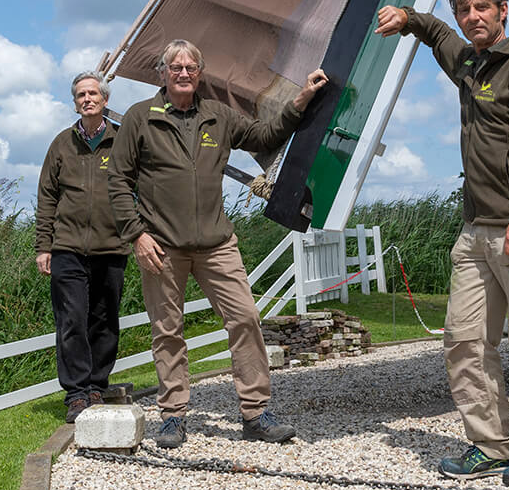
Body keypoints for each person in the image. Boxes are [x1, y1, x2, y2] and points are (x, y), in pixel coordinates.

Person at [375, 0, 509, 487]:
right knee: (464, 341)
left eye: (482, 8)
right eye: (466, 10)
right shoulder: (470, 64)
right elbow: (439, 35)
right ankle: (492, 445)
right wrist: (409, 20)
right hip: (474, 233)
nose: (472, 18)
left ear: (503, 11)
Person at [107, 39, 327, 448]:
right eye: (176, 67)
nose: (184, 73)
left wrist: (301, 99)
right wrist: (136, 235)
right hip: (161, 246)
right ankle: (173, 416)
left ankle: (256, 414)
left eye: (191, 66)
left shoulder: (218, 116)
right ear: (163, 73)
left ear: (200, 72)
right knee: (167, 330)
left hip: (216, 243)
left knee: (245, 318)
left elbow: (265, 135)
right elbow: (118, 181)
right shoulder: (141, 117)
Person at [35, 71, 129, 423]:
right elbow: (46, 197)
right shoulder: (61, 143)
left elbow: (141, 188)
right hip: (67, 248)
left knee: (105, 319)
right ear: (74, 102)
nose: (86, 99)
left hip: (112, 246)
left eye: (92, 93)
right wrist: (43, 246)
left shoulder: (122, 140)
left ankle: (96, 386)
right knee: (71, 320)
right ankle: (76, 393)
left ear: (105, 100)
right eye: (80, 95)